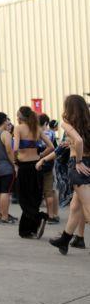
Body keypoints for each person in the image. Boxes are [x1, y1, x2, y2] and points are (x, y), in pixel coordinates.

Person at [45, 95, 90, 253]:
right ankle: (65, 240)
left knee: (87, 207)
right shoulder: (87, 122)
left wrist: (78, 161)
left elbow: (78, 141)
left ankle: (66, 240)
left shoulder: (67, 123)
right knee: (75, 206)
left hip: (78, 167)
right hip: (87, 165)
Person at [13, 106, 53, 239]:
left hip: (24, 167)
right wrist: (40, 155)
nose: (16, 117)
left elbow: (15, 148)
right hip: (36, 167)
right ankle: (29, 230)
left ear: (21, 117)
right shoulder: (38, 128)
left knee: (24, 199)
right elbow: (51, 147)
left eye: (17, 115)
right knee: (34, 199)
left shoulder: (18, 128)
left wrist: (15, 160)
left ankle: (40, 217)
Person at [37, 113, 59, 223]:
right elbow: (54, 148)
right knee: (49, 191)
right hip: (48, 165)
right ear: (46, 123)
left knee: (38, 192)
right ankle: (51, 215)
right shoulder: (51, 133)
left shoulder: (34, 133)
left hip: (36, 165)